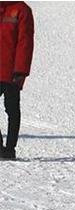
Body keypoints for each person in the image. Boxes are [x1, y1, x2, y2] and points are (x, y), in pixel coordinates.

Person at [0, 1, 34, 160]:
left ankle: (10, 148)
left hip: (12, 72)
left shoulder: (22, 10)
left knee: (11, 109)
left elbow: (25, 42)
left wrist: (21, 71)